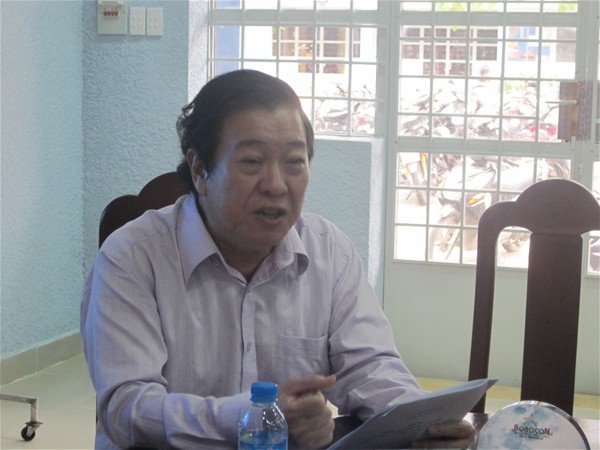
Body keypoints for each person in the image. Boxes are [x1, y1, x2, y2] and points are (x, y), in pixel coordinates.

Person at [81, 69, 474, 449]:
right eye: (252, 162)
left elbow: (369, 366)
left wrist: (423, 422)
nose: (276, 185)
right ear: (199, 170)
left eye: (294, 162)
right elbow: (128, 407)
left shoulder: (329, 251)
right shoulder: (131, 258)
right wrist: (256, 418)